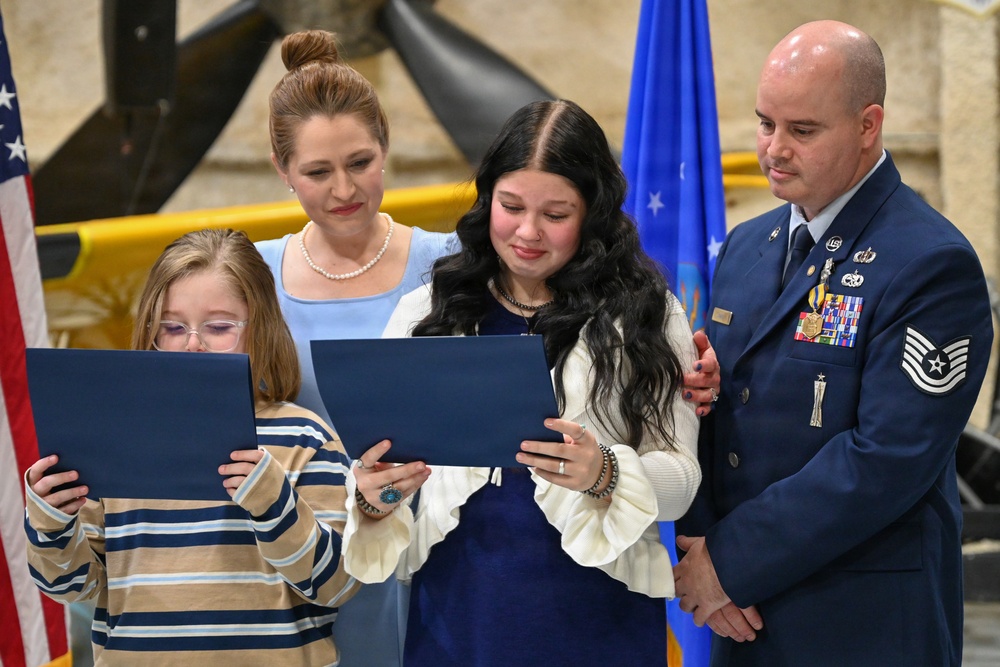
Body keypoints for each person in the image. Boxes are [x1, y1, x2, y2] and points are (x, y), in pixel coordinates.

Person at [673, 20, 994, 666]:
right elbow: (724, 410)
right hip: (745, 616)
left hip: (860, 621)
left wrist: (730, 561)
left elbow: (884, 457)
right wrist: (701, 543)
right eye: (766, 123)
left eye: (803, 130)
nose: (773, 150)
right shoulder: (746, 246)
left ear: (868, 125)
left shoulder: (930, 263)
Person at [338, 99, 702, 665]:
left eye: (556, 214)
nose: (528, 232)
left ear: (594, 213)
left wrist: (605, 471)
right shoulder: (428, 312)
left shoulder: (648, 316)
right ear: (488, 201)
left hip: (597, 617)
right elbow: (381, 478)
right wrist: (376, 497)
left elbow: (684, 478)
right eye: (511, 206)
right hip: (459, 614)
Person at [24, 229, 358, 666]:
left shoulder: (305, 437)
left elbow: (336, 585)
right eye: (172, 327)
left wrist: (275, 504)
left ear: (262, 328)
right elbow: (72, 588)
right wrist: (51, 522)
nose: (193, 343)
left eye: (219, 327)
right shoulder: (116, 437)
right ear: (152, 332)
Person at [254, 30, 460, 664]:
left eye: (360, 162)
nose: (344, 189)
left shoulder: (449, 264)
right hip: (306, 562)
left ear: (386, 148)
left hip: (440, 551)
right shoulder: (253, 277)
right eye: (318, 171)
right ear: (282, 170)